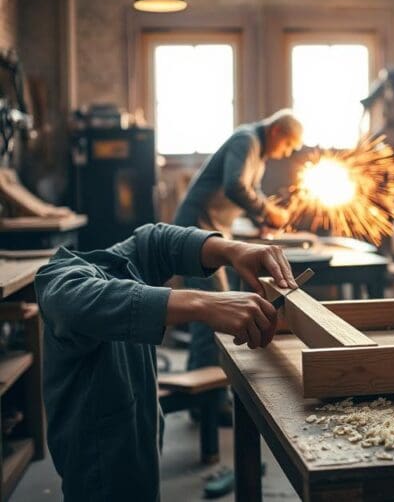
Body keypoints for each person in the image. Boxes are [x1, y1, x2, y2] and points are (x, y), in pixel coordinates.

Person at [35, 222, 296, 501]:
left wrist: (234, 250)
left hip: (138, 450)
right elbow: (77, 302)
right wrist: (205, 304)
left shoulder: (122, 263)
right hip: (96, 469)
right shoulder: (58, 282)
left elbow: (156, 240)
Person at [174, 109, 303, 386]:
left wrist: (263, 218)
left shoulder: (260, 154)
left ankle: (206, 390)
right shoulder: (246, 140)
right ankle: (207, 398)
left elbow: (251, 191)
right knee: (211, 311)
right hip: (196, 229)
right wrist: (268, 210)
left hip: (213, 230)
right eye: (287, 147)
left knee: (213, 307)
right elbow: (235, 186)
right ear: (277, 132)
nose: (284, 153)